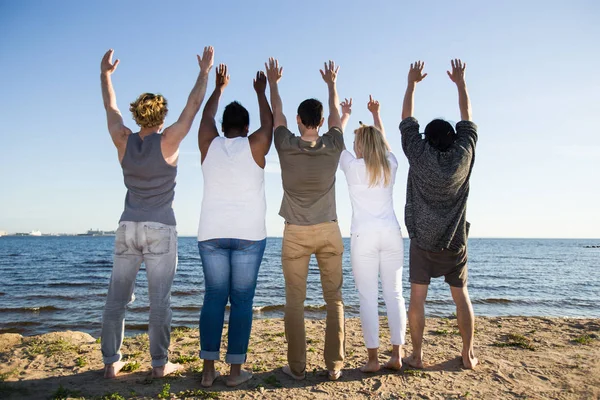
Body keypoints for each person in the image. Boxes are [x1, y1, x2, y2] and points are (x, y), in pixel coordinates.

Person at [99, 46, 214, 378]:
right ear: (162, 117)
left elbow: (110, 106)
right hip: (160, 228)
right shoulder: (169, 141)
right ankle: (159, 365)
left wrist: (105, 75)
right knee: (159, 301)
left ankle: (110, 364)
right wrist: (204, 72)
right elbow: (193, 107)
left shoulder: (122, 139)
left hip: (128, 227)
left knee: (116, 298)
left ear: (137, 116)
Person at [267, 58, 346, 381]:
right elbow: (338, 116)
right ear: (322, 121)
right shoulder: (334, 144)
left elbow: (277, 115)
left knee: (295, 303)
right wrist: (332, 84)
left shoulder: (285, 144)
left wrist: (274, 83)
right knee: (334, 300)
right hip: (329, 230)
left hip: (296, 233)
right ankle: (334, 366)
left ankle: (297, 368)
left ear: (299, 120)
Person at [196, 63, 273, 387]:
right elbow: (270, 123)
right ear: (245, 128)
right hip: (248, 235)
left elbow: (205, 118)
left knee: (214, 297)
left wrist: (219, 87)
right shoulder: (255, 145)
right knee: (241, 301)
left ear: (224, 126)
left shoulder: (207, 144)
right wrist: (261, 92)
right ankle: (235, 373)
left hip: (211, 233)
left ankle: (208, 371)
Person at [400, 59, 478, 369]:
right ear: (453, 137)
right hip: (455, 242)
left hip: (422, 242)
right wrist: (460, 83)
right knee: (461, 296)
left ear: (426, 139)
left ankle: (417, 356)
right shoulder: (464, 154)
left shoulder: (417, 154)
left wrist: (411, 84)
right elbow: (467, 118)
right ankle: (468, 354)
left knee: (417, 298)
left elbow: (407, 120)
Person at [338, 96, 407, 373]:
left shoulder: (352, 167)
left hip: (363, 237)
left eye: (357, 144)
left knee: (367, 297)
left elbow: (335, 137)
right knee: (394, 294)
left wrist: (344, 115)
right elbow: (385, 143)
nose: (353, 147)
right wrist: (377, 116)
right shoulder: (390, 164)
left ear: (361, 146)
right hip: (391, 234)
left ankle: (373, 359)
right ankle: (397, 355)